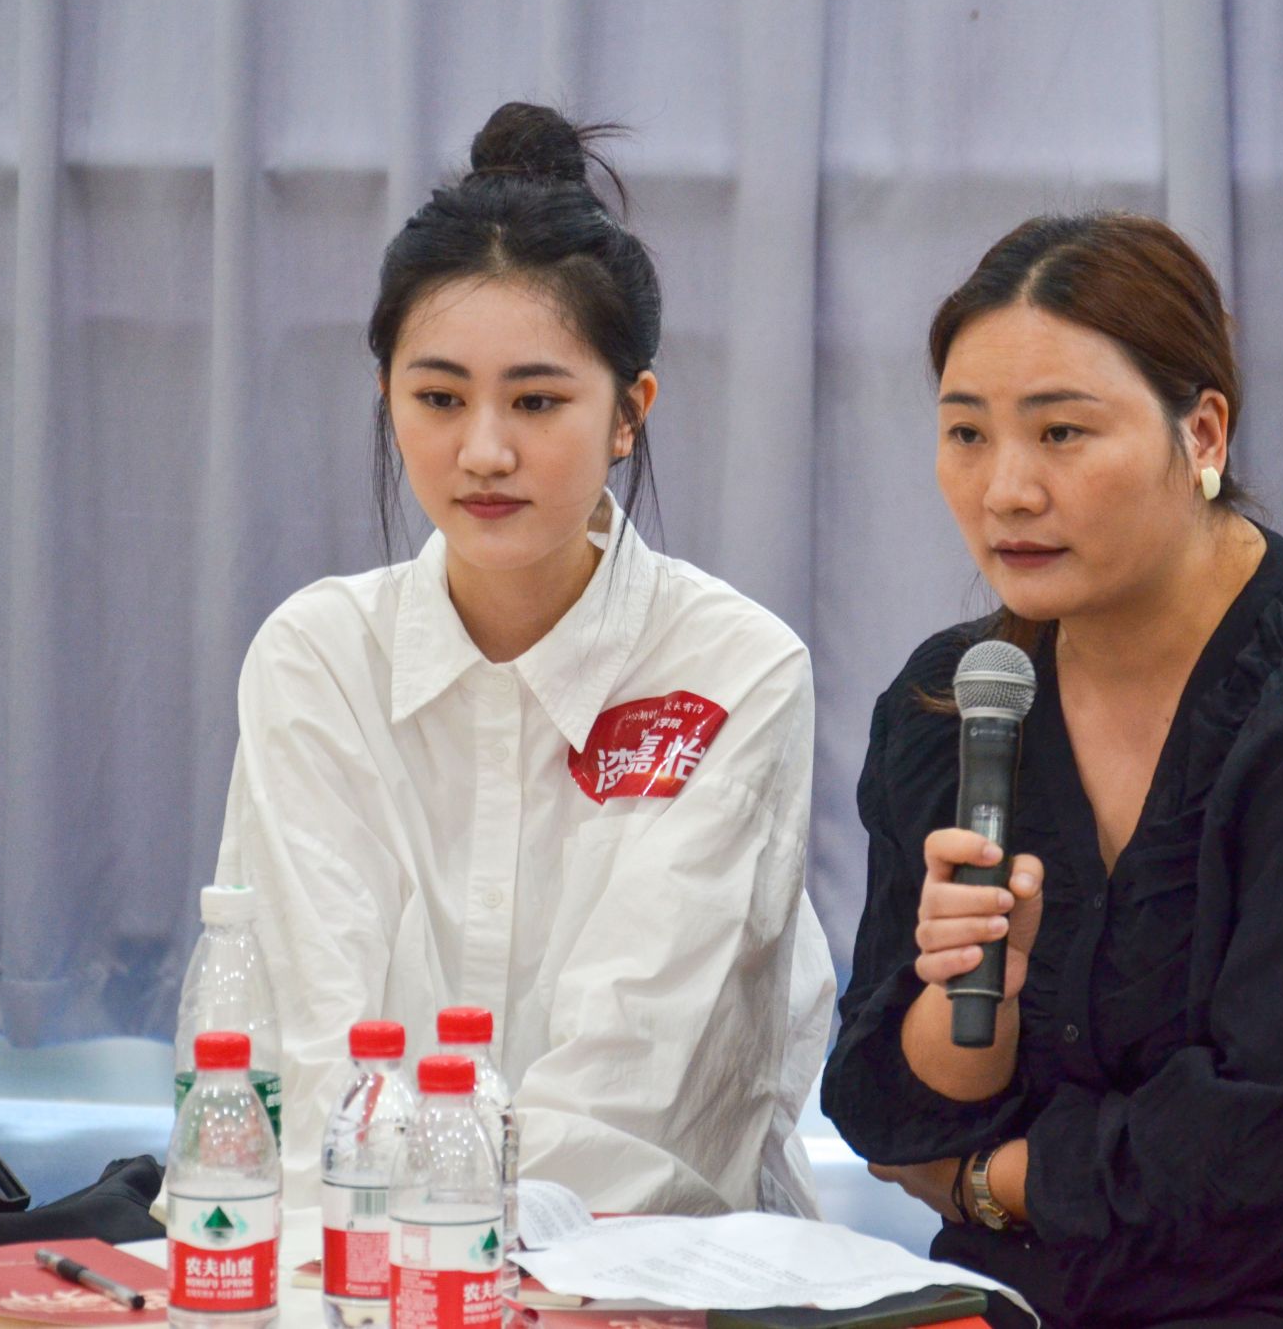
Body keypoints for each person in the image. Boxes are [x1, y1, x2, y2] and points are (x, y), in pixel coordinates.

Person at [820, 212, 1283, 1327]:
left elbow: (1277, 1146)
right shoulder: (957, 701)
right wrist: (980, 999)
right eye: (966, 433)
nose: (1005, 489)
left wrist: (990, 1185)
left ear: (1201, 432)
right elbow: (884, 1112)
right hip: (1035, 1298)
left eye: (1061, 433)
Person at [209, 102, 835, 1218]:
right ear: (388, 397)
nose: (484, 450)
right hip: (351, 1257)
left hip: (636, 1267)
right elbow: (309, 1058)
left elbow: (637, 1105)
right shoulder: (318, 658)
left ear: (629, 413)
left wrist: (446, 1232)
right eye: (438, 398)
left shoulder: (735, 670)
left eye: (537, 401)